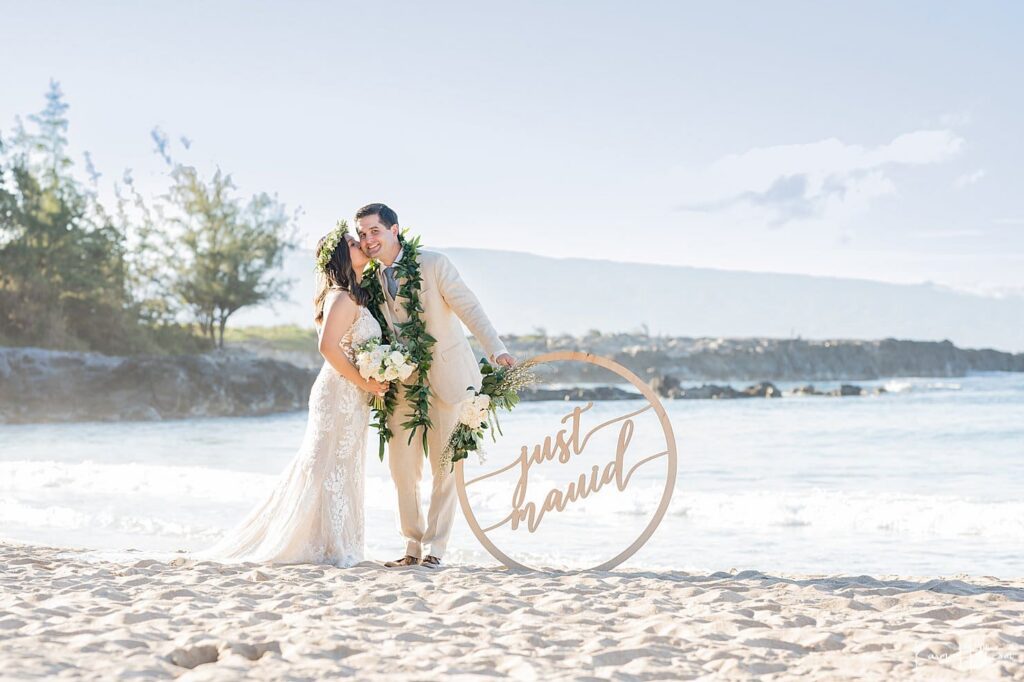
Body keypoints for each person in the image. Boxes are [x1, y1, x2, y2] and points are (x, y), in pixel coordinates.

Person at [197, 225, 387, 566]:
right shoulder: (342, 297)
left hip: (351, 392)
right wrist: (366, 381)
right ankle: (326, 545)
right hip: (339, 391)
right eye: (354, 243)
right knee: (325, 466)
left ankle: (337, 541)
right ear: (343, 255)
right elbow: (327, 347)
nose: (362, 246)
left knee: (340, 464)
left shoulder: (353, 294)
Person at [355, 202, 515, 569]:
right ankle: (411, 544)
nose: (368, 240)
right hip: (401, 383)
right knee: (401, 467)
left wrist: (497, 349)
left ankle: (435, 549)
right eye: (363, 234)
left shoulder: (434, 264)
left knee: (446, 467)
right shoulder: (369, 279)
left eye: (374, 231)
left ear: (394, 230)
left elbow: (469, 308)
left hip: (449, 378)